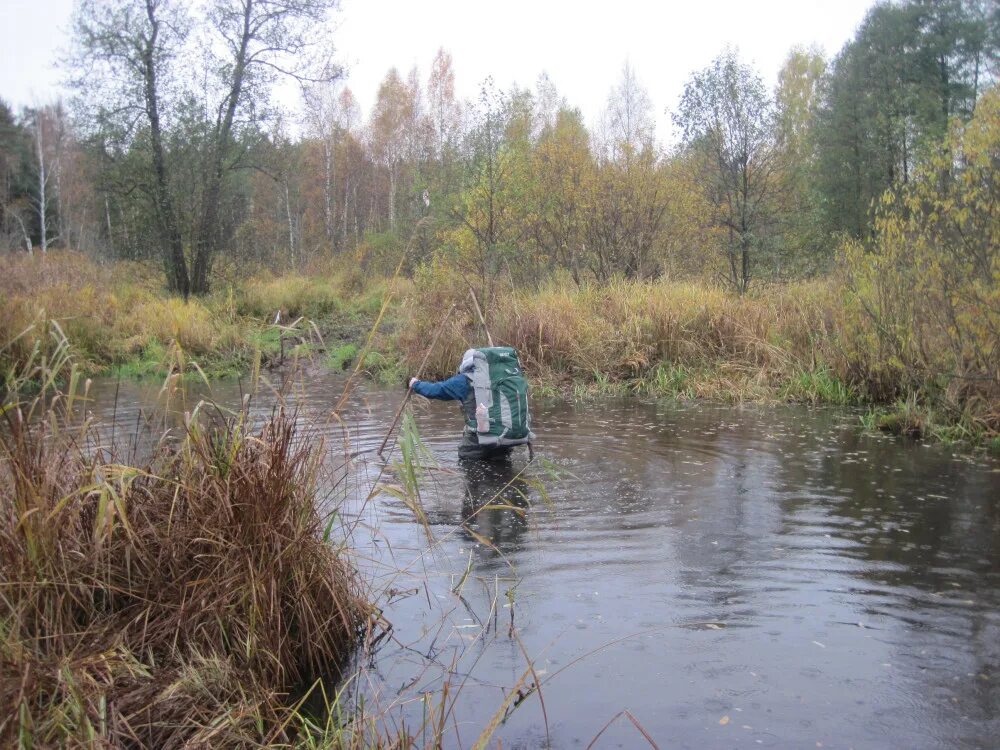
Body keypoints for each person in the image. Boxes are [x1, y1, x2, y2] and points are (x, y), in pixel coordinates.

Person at [409, 347, 533, 460]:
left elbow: (436, 390)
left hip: (476, 440)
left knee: (470, 469)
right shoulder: (499, 378)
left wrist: (416, 384)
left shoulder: (463, 380)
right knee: (502, 472)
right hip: (502, 436)